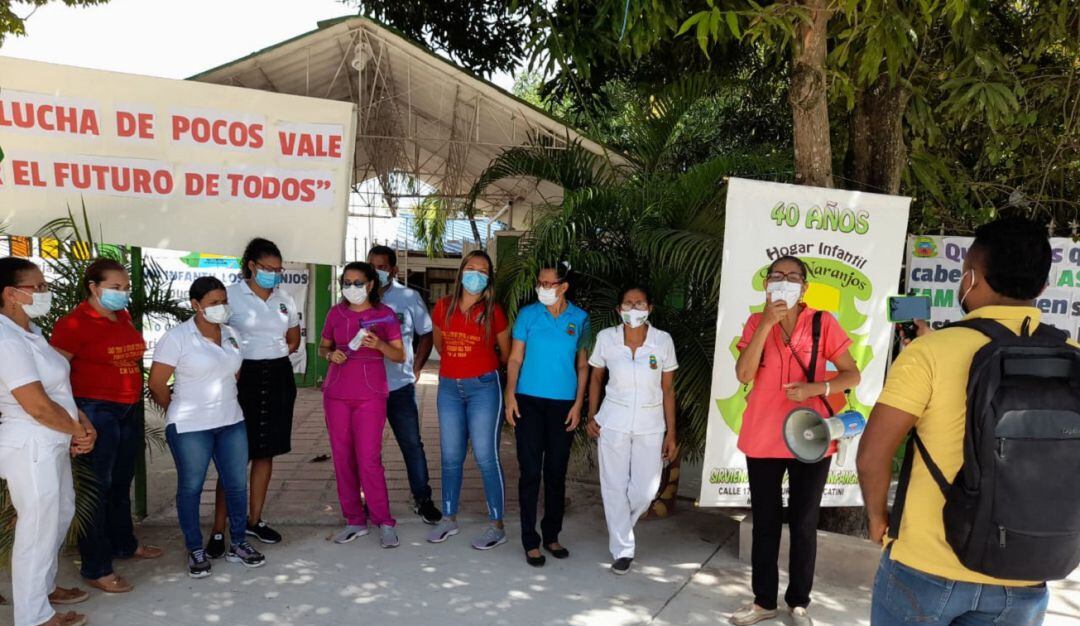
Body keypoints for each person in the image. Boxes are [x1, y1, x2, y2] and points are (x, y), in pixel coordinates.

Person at [858, 217, 1071, 625]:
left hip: (926, 564)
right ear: (1043, 287)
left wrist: (877, 519)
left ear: (970, 277)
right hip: (1027, 571)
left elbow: (872, 456)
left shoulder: (930, 354)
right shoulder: (1072, 355)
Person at [729, 256, 861, 626]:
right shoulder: (756, 322)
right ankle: (763, 602)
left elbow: (852, 375)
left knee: (804, 522)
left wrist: (815, 388)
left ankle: (799, 603)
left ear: (804, 287)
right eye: (777, 275)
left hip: (811, 436)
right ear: (766, 285)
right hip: (763, 436)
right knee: (765, 522)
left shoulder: (822, 322)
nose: (784, 281)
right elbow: (743, 374)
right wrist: (766, 323)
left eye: (792, 277)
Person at [49, 258, 163, 595]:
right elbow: (54, 376)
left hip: (128, 408)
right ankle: (96, 566)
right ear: (93, 287)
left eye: (125, 287)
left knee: (120, 482)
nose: (122, 293)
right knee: (95, 489)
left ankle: (124, 543)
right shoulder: (73, 324)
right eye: (115, 287)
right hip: (94, 410)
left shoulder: (122, 316)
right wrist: (75, 418)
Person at [149, 277, 267, 579]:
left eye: (224, 301)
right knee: (191, 487)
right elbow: (157, 384)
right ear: (196, 305)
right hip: (190, 426)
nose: (221, 307)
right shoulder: (177, 337)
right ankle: (195, 548)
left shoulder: (231, 334)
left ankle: (238, 543)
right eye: (214, 303)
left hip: (231, 420)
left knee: (236, 484)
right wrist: (177, 408)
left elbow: (233, 374)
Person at [0, 257, 96, 626]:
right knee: (37, 527)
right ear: (11, 294)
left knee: (60, 515)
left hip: (53, 438)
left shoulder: (31, 332)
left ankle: (43, 588)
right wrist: (78, 432)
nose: (45, 292)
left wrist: (80, 422)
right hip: (31, 443)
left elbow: (57, 390)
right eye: (37, 287)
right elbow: (37, 405)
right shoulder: (7, 340)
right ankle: (33, 616)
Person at [207, 238, 301, 555]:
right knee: (234, 457)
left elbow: (293, 338)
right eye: (268, 268)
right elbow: (214, 334)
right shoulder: (230, 296)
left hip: (277, 377)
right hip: (241, 377)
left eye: (278, 269)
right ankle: (218, 530)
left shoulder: (284, 299)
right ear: (251, 265)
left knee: (266, 453)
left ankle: (254, 520)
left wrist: (275, 353)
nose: (274, 274)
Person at [586, 285, 678, 576]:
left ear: (649, 308)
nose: (633, 308)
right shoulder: (606, 338)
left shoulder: (663, 341)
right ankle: (623, 549)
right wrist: (591, 415)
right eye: (628, 303)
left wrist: (671, 433)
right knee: (613, 485)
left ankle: (621, 526)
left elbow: (668, 389)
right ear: (619, 309)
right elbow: (596, 378)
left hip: (651, 424)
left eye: (639, 303)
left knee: (645, 491)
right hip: (613, 420)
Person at [504, 262, 589, 567]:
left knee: (556, 472)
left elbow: (583, 365)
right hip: (528, 402)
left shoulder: (580, 318)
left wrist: (578, 404)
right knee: (530, 472)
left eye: (548, 283)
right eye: (539, 282)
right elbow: (515, 358)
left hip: (563, 405)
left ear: (563, 286)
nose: (542, 288)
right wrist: (510, 395)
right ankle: (530, 540)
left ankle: (551, 535)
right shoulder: (528, 315)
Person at [425, 251, 511, 549]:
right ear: (461, 271)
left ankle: (496, 526)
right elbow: (440, 345)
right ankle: (448, 519)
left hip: (484, 387)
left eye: (483, 270)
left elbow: (506, 353)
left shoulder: (493, 311)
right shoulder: (443, 307)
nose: (476, 274)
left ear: (489, 277)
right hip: (449, 387)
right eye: (471, 268)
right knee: (450, 456)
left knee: (486, 456)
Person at [318, 262, 406, 548]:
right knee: (342, 458)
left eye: (358, 283)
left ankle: (384, 520)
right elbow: (322, 346)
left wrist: (379, 345)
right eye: (347, 282)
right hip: (337, 393)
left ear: (370, 285)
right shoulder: (336, 313)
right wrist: (330, 355)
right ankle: (354, 520)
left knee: (369, 459)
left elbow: (399, 355)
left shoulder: (384, 315)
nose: (351, 288)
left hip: (370, 395)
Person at [367, 245, 442, 524]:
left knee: (411, 444)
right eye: (372, 266)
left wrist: (417, 367)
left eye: (382, 267)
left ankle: (423, 499)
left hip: (399, 386)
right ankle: (370, 501)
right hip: (366, 389)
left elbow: (426, 333)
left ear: (394, 270)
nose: (376, 271)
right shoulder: (356, 296)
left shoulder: (408, 297)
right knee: (367, 449)